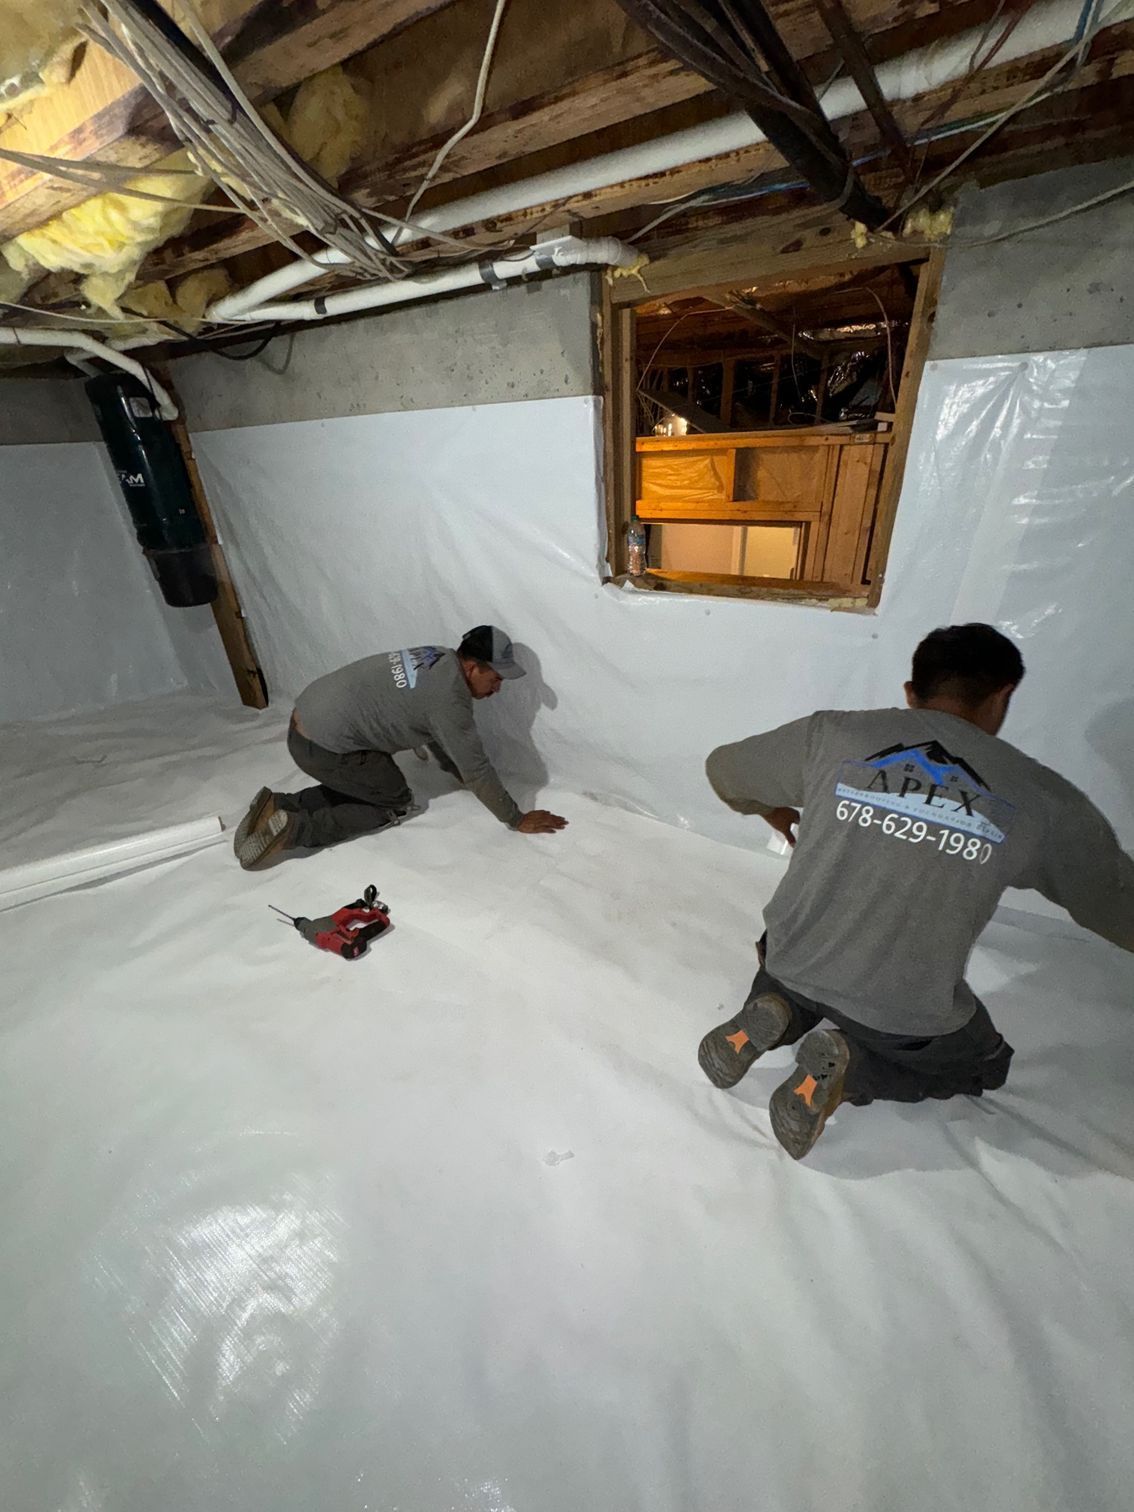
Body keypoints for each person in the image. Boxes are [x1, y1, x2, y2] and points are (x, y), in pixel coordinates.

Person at [700, 623, 1134, 1160]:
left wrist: (773, 809)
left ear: (911, 693)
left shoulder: (831, 735)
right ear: (1003, 695)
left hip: (786, 955)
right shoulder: (1040, 797)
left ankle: (774, 1011)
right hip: (898, 1015)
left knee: (795, 967)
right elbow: (1117, 900)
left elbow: (725, 769)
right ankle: (851, 1067)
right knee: (983, 1065)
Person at [235, 625, 567, 870]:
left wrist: (452, 769)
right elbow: (477, 767)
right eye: (495, 678)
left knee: (370, 783)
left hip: (305, 722)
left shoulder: (436, 656)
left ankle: (280, 805)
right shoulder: (449, 698)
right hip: (322, 748)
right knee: (392, 803)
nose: (497, 689)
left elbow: (433, 729)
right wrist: (515, 818)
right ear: (472, 667)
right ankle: (295, 829)